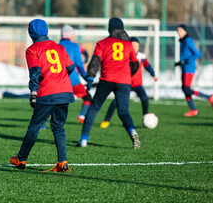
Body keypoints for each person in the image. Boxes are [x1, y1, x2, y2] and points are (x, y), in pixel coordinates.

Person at [10, 19, 75, 172]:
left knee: (35, 126)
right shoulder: (59, 47)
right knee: (59, 127)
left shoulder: (32, 50)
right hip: (65, 91)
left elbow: (35, 72)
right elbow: (70, 67)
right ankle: (62, 162)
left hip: (47, 91)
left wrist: (33, 92)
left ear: (31, 32)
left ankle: (21, 159)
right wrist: (59, 77)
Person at [77, 17, 141, 149]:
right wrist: (127, 76)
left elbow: (95, 62)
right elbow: (135, 64)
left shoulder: (102, 43)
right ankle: (132, 131)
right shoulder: (129, 45)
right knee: (123, 111)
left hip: (107, 79)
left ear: (109, 28)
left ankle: (84, 139)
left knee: (94, 107)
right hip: (124, 82)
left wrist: (90, 78)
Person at [100, 37, 158, 128]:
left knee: (144, 98)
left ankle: (146, 116)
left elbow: (147, 66)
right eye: (133, 45)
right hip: (125, 84)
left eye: (137, 45)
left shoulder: (142, 57)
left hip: (137, 84)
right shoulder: (124, 56)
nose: (135, 47)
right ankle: (106, 120)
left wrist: (153, 74)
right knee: (116, 102)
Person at [175, 24, 213, 116]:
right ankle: (193, 109)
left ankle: (210, 97)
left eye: (180, 31)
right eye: (178, 31)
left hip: (189, 69)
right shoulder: (183, 41)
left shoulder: (188, 41)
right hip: (184, 68)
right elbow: (186, 55)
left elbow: (198, 54)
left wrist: (186, 61)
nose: (179, 33)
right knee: (184, 89)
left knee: (186, 89)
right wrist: (179, 63)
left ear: (185, 31)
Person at [59, 25, 92, 124]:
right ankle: (82, 116)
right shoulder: (75, 46)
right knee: (88, 98)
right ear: (71, 35)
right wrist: (85, 76)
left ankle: (42, 124)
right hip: (73, 81)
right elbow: (79, 64)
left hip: (59, 81)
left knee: (54, 103)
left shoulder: (56, 46)